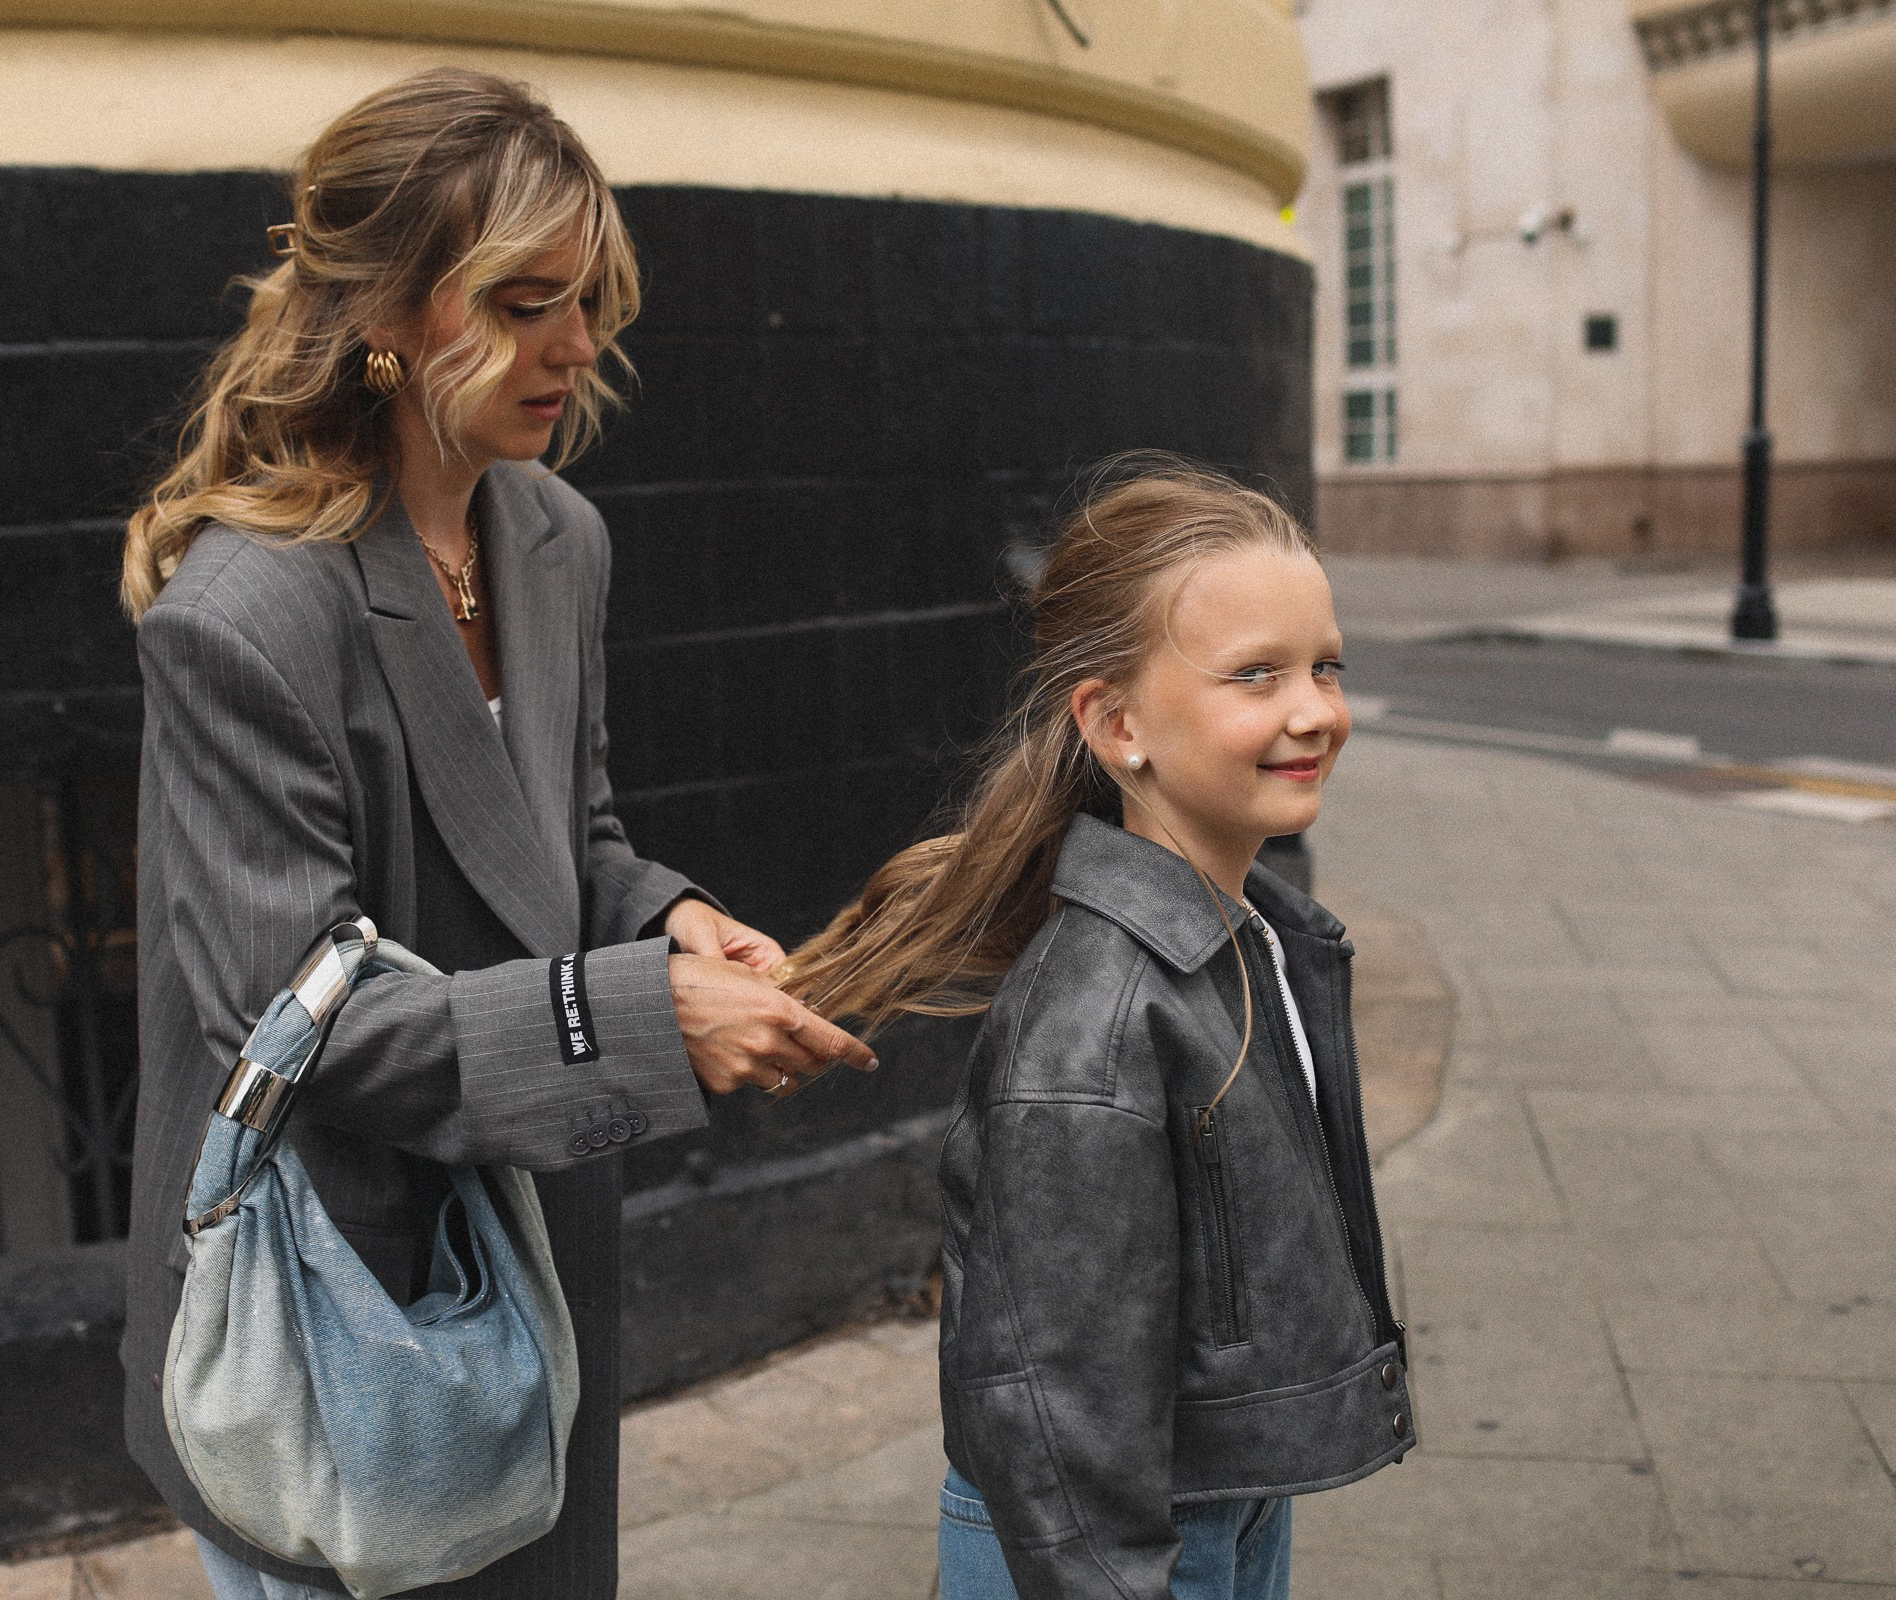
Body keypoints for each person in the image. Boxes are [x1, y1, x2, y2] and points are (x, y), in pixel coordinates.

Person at [117, 68, 875, 1600]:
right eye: (528, 305)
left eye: (587, 302)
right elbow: (296, 1023)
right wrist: (647, 1017)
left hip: (528, 1243)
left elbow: (566, 838)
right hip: (334, 1310)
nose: (579, 347)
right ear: (386, 317)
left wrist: (667, 918)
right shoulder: (244, 612)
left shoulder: (552, 535)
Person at [781, 458, 1413, 1600]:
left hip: (1215, 1493)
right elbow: (1053, 1402)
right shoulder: (1099, 1017)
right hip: (1111, 1540)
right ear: (1118, 723)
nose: (1314, 710)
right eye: (1256, 674)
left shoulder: (1260, 938)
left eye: (1326, 665)